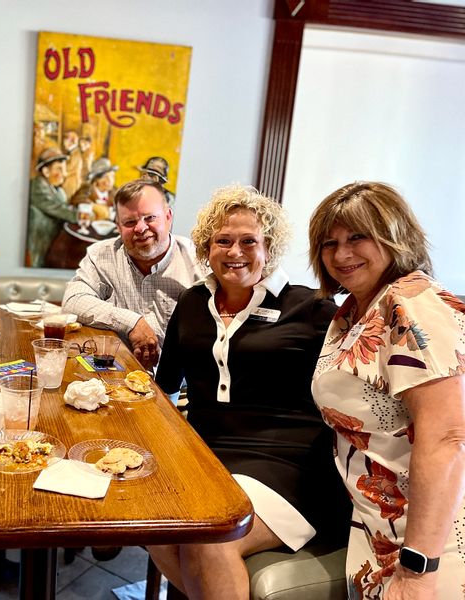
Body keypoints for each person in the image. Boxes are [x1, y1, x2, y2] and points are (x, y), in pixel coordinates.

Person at [150, 184, 350, 599]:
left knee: (214, 536)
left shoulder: (312, 308)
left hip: (287, 462)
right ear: (207, 247)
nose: (234, 251)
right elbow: (164, 385)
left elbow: (355, 387)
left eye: (248, 241)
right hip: (207, 457)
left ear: (269, 248)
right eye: (223, 241)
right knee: (155, 526)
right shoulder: (190, 302)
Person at [309, 181, 465, 599]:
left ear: (395, 235)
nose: (342, 255)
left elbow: (448, 437)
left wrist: (419, 570)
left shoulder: (411, 304)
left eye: (358, 237)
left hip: (431, 539)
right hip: (379, 526)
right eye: (329, 242)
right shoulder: (354, 310)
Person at [62, 179, 201, 369]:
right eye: (130, 222)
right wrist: (131, 322)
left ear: (168, 217)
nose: (141, 228)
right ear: (118, 227)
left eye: (150, 218)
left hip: (183, 388)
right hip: (115, 375)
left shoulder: (199, 261)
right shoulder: (101, 255)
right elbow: (73, 300)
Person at [26, 147, 78, 267]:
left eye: (64, 170)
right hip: (39, 249)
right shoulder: (37, 187)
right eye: (59, 169)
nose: (64, 174)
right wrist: (79, 215)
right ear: (46, 171)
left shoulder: (58, 190)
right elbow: (58, 208)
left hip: (54, 242)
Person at [71, 157, 118, 221]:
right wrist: (94, 206)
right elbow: (77, 199)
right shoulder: (87, 189)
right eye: (105, 177)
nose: (110, 180)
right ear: (96, 179)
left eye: (112, 176)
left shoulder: (115, 191)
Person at [61, 130, 83, 200]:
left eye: (65, 140)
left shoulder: (76, 154)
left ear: (71, 141)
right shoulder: (71, 152)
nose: (64, 142)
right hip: (69, 180)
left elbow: (68, 169)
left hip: (72, 181)